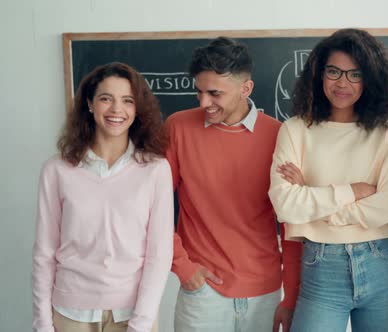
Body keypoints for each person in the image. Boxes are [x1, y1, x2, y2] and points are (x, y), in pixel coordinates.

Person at [268, 28, 388, 332]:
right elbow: (285, 205)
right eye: (334, 71)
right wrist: (354, 191)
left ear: (369, 79)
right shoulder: (295, 130)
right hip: (321, 266)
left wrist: (312, 198)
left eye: (354, 74)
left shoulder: (386, 133)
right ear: (319, 75)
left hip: (380, 263)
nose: (342, 82)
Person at [165, 37, 302, 332]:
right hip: (202, 293)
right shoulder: (178, 127)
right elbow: (153, 206)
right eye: (199, 91)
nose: (204, 103)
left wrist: (290, 296)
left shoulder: (280, 135)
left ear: (246, 89)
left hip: (264, 293)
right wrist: (183, 266)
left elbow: (291, 224)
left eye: (215, 93)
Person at [32, 62, 174, 332]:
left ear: (137, 109)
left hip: (132, 314)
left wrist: (141, 324)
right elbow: (44, 253)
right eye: (106, 99)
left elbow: (159, 253)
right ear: (89, 103)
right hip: (69, 312)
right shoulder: (57, 170)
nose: (116, 110)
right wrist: (42, 323)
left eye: (127, 101)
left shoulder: (155, 170)